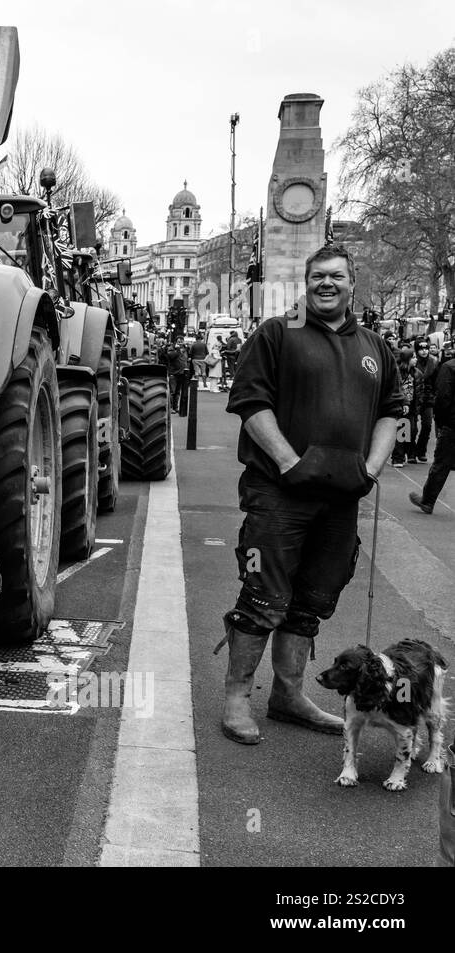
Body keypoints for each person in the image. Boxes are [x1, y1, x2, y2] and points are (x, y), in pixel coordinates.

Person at [218, 243, 403, 745]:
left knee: (310, 603)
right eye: (319, 275)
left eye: (337, 276)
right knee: (261, 598)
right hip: (277, 495)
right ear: (306, 281)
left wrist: (370, 466)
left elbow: (392, 408)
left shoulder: (374, 346)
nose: (327, 283)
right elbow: (251, 402)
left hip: (341, 498)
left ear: (352, 282)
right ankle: (237, 698)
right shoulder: (276, 334)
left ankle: (289, 696)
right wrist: (287, 461)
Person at [409, 350, 455, 514]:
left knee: (441, 464)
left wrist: (441, 422)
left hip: (452, 424)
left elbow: (443, 397)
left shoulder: (449, 367)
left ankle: (428, 501)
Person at [414, 338, 439, 463]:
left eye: (426, 349)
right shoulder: (412, 361)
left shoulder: (434, 362)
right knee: (410, 427)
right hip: (413, 398)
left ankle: (421, 450)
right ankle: (409, 451)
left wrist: (434, 397)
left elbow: (437, 382)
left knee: (427, 425)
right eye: (421, 349)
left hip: (428, 399)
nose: (424, 351)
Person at [391, 347, 415, 467]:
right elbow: (398, 388)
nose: (415, 360)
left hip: (411, 405)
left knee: (410, 431)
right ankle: (397, 458)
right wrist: (404, 402)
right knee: (401, 430)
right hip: (400, 404)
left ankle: (403, 454)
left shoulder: (415, 372)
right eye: (413, 357)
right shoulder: (398, 371)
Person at [166, 335, 189, 413]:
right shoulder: (172, 348)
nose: (180, 343)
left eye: (181, 341)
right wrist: (177, 349)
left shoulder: (185, 349)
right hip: (174, 373)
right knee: (172, 392)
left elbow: (185, 359)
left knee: (178, 392)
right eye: (179, 341)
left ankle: (176, 407)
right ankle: (170, 408)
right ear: (175, 342)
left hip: (182, 373)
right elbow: (171, 356)